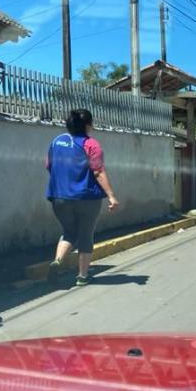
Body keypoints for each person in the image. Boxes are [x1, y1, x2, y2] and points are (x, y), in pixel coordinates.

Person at [46, 109, 119, 286]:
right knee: (85, 234)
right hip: (86, 197)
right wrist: (111, 196)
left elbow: (49, 166)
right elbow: (98, 171)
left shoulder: (57, 142)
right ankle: (82, 276)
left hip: (59, 197)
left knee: (69, 232)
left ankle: (57, 261)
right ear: (88, 125)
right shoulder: (91, 144)